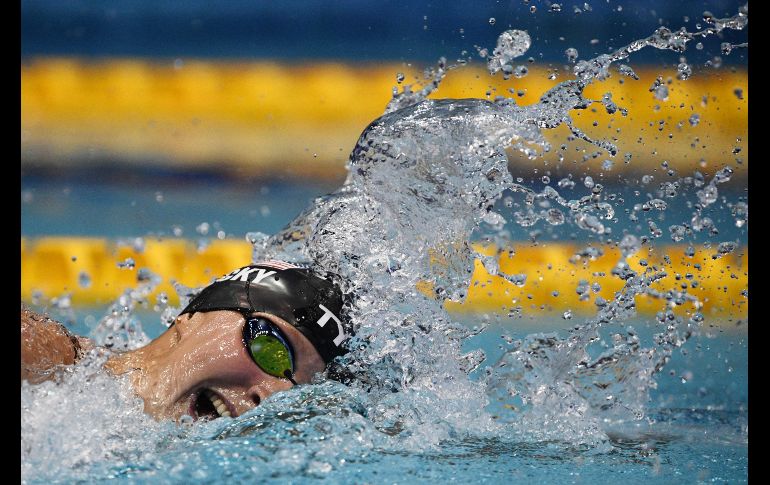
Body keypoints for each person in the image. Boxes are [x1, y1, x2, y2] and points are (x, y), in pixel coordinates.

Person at [21, 260, 351, 421]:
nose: (270, 397)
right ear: (193, 317)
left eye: (296, 392)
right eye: (271, 351)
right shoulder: (47, 361)